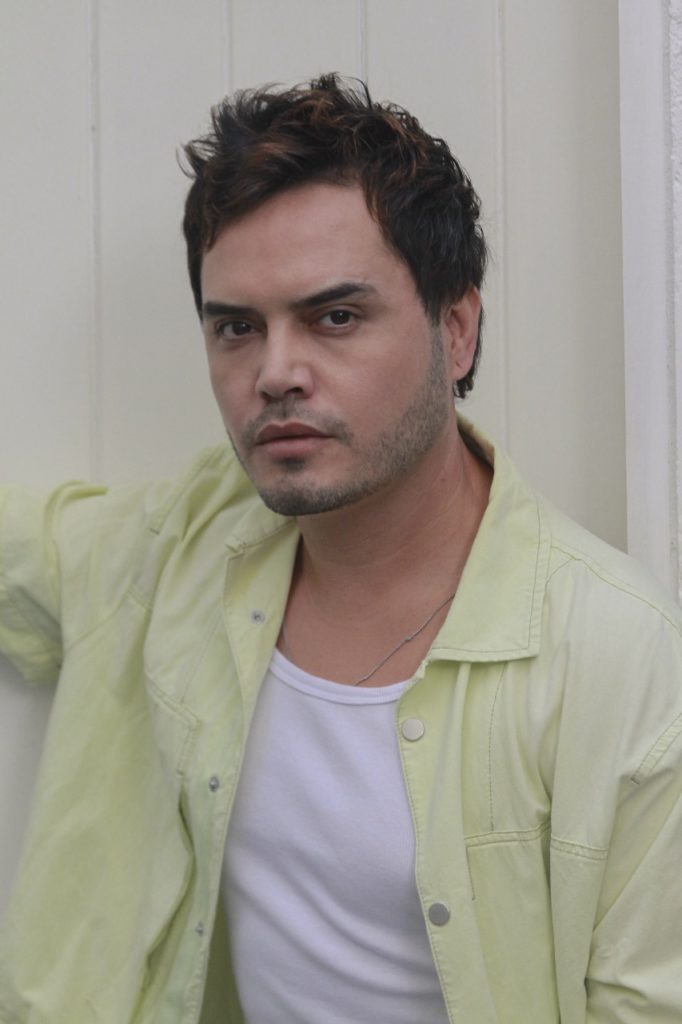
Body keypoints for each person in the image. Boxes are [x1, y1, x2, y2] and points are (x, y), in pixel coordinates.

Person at [0, 74, 680, 1024]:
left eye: (335, 317)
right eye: (237, 328)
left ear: (456, 330)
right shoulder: (186, 543)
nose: (275, 372)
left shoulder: (620, 655)